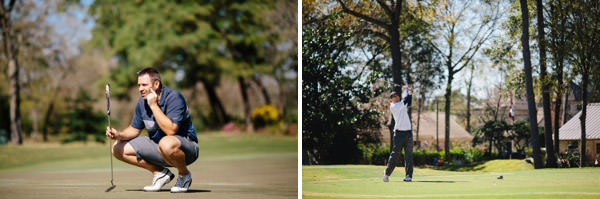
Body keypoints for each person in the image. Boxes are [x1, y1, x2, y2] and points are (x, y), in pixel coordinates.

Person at [106, 67, 199, 192]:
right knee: (117, 148)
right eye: (139, 85)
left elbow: (171, 131)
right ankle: (160, 173)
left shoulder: (174, 97)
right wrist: (118, 134)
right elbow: (134, 130)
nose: (140, 89)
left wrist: (153, 105)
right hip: (159, 147)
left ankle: (184, 175)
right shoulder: (142, 103)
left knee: (166, 143)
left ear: (156, 84)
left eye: (144, 85)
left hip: (186, 149)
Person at [383, 85, 413, 182]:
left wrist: (408, 91)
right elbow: (405, 100)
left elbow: (408, 101)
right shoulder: (394, 106)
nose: (396, 97)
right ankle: (387, 173)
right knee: (395, 154)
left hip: (408, 133)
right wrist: (408, 91)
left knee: (408, 155)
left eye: (397, 95)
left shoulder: (401, 104)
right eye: (394, 96)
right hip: (399, 133)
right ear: (391, 100)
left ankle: (408, 176)